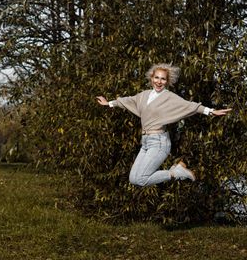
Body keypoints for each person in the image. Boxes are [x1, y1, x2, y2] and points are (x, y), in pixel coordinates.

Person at [96, 63, 231, 187]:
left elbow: (190, 106)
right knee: (134, 179)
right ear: (151, 78)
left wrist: (211, 111)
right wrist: (109, 103)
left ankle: (176, 173)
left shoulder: (169, 97)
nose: (159, 82)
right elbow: (127, 101)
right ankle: (175, 171)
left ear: (167, 81)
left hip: (159, 142)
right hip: (146, 142)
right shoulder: (144, 95)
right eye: (156, 78)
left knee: (142, 179)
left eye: (163, 79)